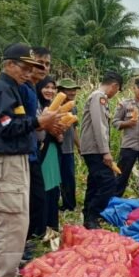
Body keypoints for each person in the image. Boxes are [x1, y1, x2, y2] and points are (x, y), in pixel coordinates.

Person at [0, 43, 60, 277]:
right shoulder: (2, 90)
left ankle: (8, 271)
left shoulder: (13, 89)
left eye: (30, 68)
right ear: (9, 64)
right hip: (7, 161)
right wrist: (38, 122)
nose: (28, 73)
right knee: (9, 219)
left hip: (18, 160)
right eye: (24, 68)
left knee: (18, 220)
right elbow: (6, 127)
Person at [21, 46, 56, 259]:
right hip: (22, 155)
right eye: (39, 63)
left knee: (36, 199)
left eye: (47, 64)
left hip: (33, 152)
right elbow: (21, 124)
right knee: (28, 201)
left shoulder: (32, 90)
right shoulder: (22, 89)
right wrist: (43, 123)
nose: (43, 67)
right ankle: (22, 245)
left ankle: (29, 241)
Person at [80, 71, 122, 229]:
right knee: (108, 183)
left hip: (92, 148)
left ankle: (88, 216)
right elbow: (99, 126)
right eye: (117, 90)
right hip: (95, 149)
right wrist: (105, 151)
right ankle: (93, 215)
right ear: (114, 86)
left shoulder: (96, 97)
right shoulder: (99, 97)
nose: (115, 93)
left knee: (94, 183)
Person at [35, 77, 62, 232]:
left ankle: (52, 222)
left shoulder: (52, 108)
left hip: (52, 150)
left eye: (53, 88)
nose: (50, 91)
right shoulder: (36, 106)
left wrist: (59, 134)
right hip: (41, 151)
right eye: (46, 87)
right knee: (43, 186)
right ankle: (41, 224)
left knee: (53, 186)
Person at [56, 78, 80, 211]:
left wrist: (79, 146)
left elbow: (74, 128)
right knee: (55, 179)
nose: (72, 92)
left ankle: (69, 205)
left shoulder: (73, 107)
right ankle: (53, 204)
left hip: (68, 149)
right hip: (56, 148)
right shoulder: (54, 107)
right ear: (60, 91)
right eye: (69, 90)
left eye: (74, 90)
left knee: (69, 178)